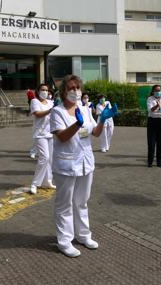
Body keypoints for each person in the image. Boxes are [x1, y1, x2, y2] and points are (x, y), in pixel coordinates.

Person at [50, 74, 116, 257]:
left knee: (82, 201)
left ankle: (83, 235)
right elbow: (62, 136)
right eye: (71, 88)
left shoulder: (85, 109)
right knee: (64, 204)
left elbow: (94, 133)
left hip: (86, 162)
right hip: (66, 163)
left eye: (77, 88)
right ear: (63, 91)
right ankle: (64, 241)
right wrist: (77, 124)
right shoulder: (57, 112)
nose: (75, 91)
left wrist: (102, 119)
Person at [29, 84, 55, 194]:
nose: (45, 92)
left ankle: (47, 181)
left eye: (46, 90)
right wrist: (51, 110)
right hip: (40, 134)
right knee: (44, 157)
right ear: (38, 91)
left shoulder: (50, 102)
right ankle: (34, 184)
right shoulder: (34, 101)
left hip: (50, 133)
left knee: (50, 159)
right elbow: (38, 114)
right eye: (42, 90)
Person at [146, 85, 161, 168]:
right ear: (153, 91)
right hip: (152, 121)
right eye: (156, 90)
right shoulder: (150, 99)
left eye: (159, 90)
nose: (158, 92)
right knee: (151, 143)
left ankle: (160, 162)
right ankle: (150, 161)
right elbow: (150, 110)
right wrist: (157, 105)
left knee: (160, 142)